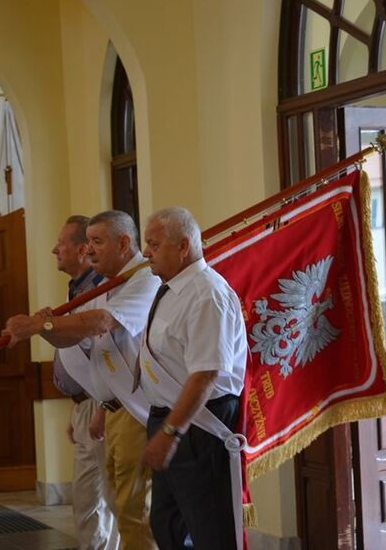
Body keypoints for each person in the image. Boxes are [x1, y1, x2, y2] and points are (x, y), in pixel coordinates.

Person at [4, 210, 160, 550]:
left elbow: (102, 322)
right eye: (87, 242)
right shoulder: (106, 284)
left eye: (96, 242)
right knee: (121, 507)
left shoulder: (144, 279)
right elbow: (78, 340)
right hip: (114, 408)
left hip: (138, 410)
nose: (89, 251)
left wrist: (39, 326)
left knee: (136, 511)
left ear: (123, 243)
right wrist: (46, 329)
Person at [138, 207, 248, 550]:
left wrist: (170, 432)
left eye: (153, 244)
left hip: (198, 427)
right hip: (169, 420)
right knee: (167, 524)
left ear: (183, 245)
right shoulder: (171, 289)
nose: (146, 253)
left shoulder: (206, 294)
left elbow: (206, 373)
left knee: (209, 528)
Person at [49, 215, 119, 550]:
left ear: (81, 249)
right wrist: (75, 407)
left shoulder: (100, 289)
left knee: (111, 499)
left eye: (61, 243)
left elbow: (106, 351)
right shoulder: (78, 287)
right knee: (86, 503)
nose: (54, 249)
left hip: (103, 406)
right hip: (85, 406)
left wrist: (102, 407)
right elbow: (79, 355)